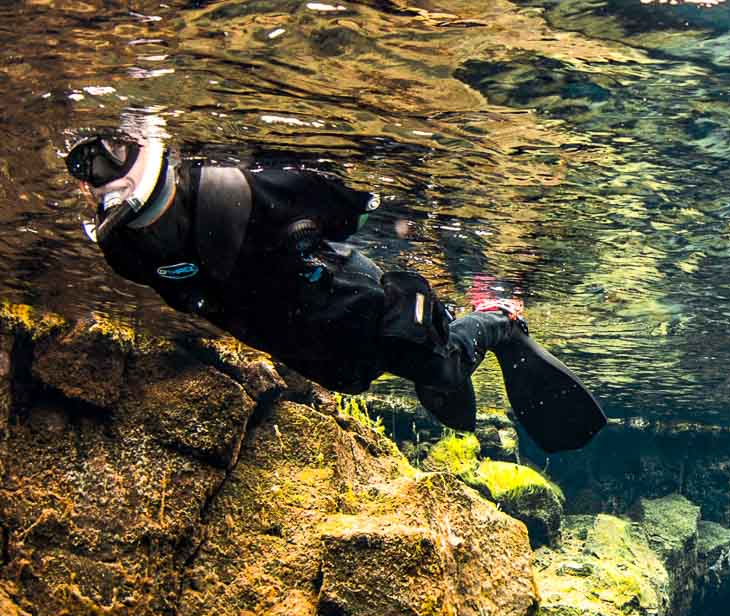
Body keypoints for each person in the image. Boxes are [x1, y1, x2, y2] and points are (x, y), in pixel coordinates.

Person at [65, 129, 606, 452]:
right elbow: (347, 210)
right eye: (88, 167)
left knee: (442, 365)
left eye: (111, 154)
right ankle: (446, 343)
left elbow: (359, 208)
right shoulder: (129, 250)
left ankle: (498, 319)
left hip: (362, 310)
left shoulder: (239, 194)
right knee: (392, 371)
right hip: (324, 347)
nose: (96, 178)